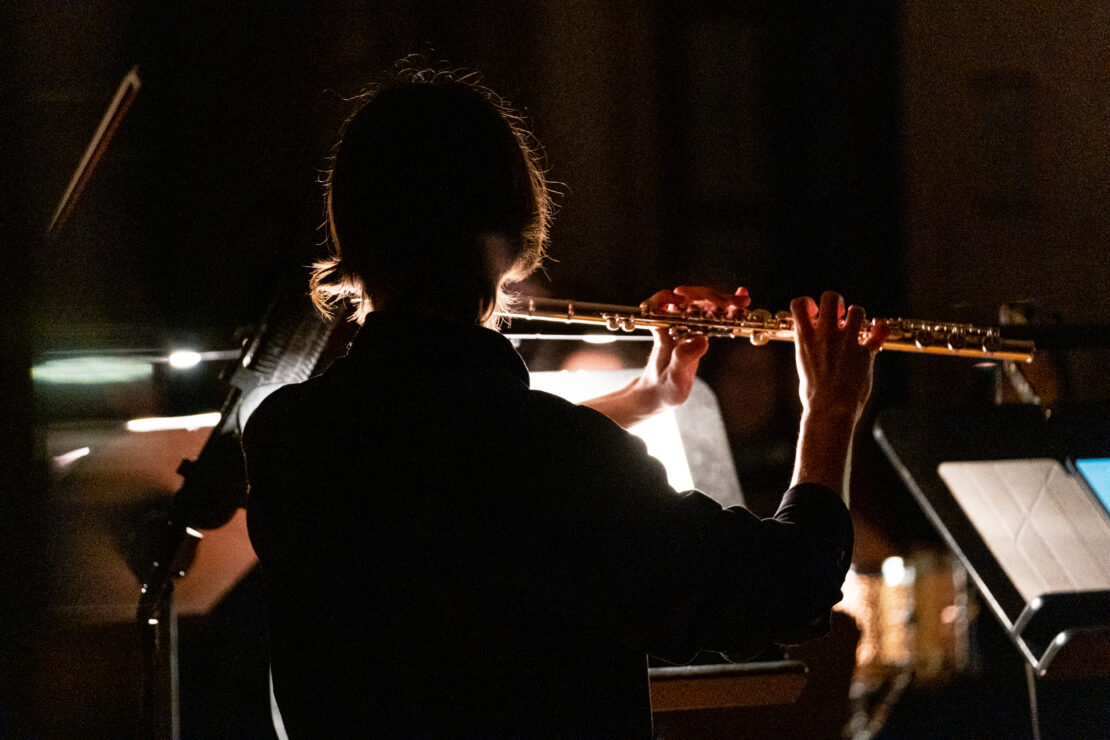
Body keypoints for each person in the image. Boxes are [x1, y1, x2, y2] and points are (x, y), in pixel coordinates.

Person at [242, 61, 887, 739]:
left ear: (352, 238)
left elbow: (456, 472)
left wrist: (648, 393)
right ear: (512, 244)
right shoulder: (551, 460)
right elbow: (787, 583)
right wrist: (830, 411)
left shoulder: (289, 434)